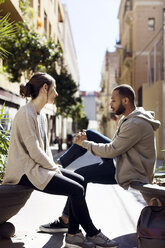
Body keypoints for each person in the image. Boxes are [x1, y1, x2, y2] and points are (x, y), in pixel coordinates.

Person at [2, 72, 119, 248]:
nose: (56, 94)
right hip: (26, 172)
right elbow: (34, 151)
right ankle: (91, 233)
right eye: (54, 89)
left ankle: (73, 233)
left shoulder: (39, 114)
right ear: (44, 88)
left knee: (79, 179)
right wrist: (54, 168)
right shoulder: (26, 114)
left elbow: (44, 150)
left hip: (37, 168)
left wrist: (53, 165)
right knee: (76, 189)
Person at [39, 84, 161, 233]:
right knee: (89, 133)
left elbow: (112, 150)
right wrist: (85, 141)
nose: (110, 104)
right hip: (123, 160)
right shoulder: (131, 118)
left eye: (114, 101)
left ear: (126, 101)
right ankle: (59, 164)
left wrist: (84, 144)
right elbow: (116, 147)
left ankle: (66, 219)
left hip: (130, 169)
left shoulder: (135, 123)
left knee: (80, 175)